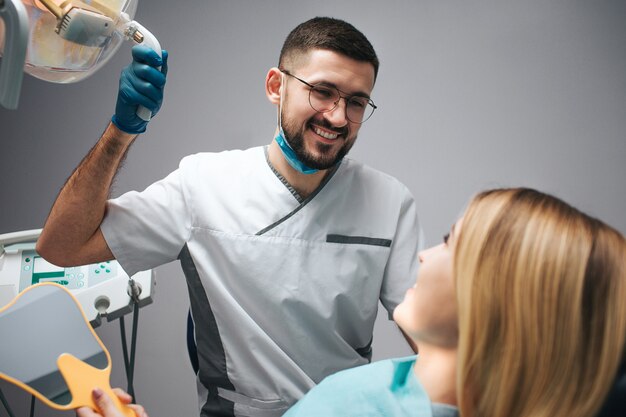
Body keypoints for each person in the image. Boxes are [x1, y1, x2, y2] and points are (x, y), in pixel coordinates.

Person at [38, 17, 422, 416]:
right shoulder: (203, 185)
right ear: (277, 86)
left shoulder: (389, 203)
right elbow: (62, 246)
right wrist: (122, 129)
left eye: (356, 101)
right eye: (322, 92)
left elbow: (437, 347)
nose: (338, 117)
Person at [77, 187, 626, 417]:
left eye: (451, 244)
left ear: (501, 300)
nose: (423, 258)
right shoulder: (400, 382)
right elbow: (67, 243)